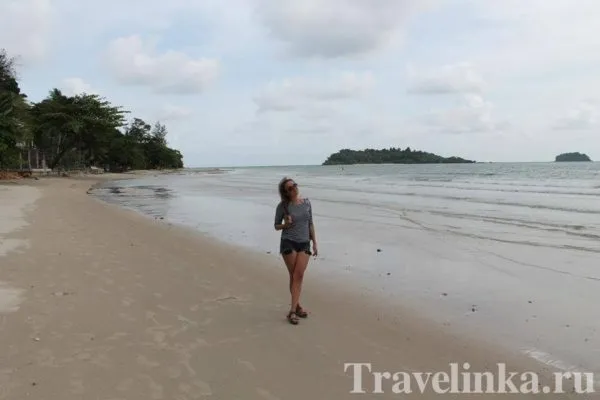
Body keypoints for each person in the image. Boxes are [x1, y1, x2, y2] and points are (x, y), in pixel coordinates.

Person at [274, 177, 318, 325]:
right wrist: (285, 224)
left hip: (304, 243)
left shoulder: (307, 203)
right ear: (286, 192)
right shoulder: (283, 206)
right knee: (295, 276)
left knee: (297, 275)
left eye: (294, 186)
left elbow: (310, 223)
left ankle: (296, 306)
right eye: (290, 188)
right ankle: (293, 311)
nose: (294, 189)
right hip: (289, 242)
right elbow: (276, 225)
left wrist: (315, 243)